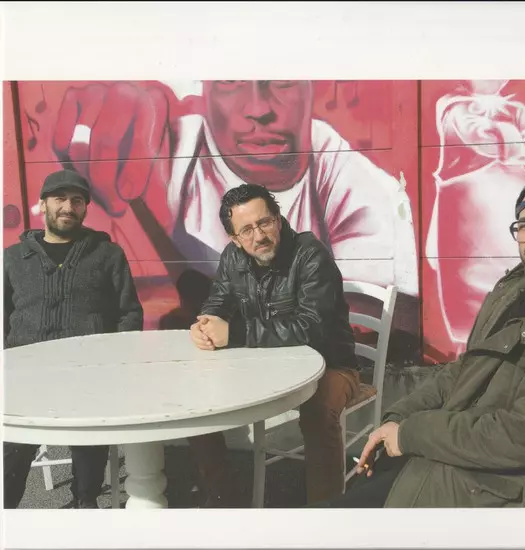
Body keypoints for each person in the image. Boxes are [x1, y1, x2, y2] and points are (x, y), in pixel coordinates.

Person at [314, 172, 525, 508]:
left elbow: (522, 436)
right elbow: (466, 368)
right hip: (444, 462)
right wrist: (398, 417)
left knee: (313, 525)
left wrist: (411, 433)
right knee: (323, 515)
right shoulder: (515, 290)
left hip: (485, 496)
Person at [51, 80, 418, 296]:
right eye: (230, 81)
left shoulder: (352, 206)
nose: (258, 108)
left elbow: (334, 324)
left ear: (280, 221)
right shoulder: (173, 155)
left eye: (281, 81)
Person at [188, 183, 360, 506]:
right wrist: (206, 325)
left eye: (265, 222)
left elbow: (313, 329)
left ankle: (327, 513)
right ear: (234, 238)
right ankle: (224, 497)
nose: (259, 235)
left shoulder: (310, 256)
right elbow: (218, 301)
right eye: (247, 230)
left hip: (331, 365)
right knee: (195, 399)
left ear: (278, 220)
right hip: (263, 367)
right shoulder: (233, 258)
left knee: (319, 409)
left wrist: (235, 334)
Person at [3, 169, 144, 509]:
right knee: (11, 453)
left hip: (88, 375)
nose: (68, 207)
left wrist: (114, 363)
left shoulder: (107, 255)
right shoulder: (12, 258)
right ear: (42, 205)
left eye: (77, 200)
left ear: (85, 208)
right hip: (25, 378)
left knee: (89, 448)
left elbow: (129, 313)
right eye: (59, 199)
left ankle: (85, 502)